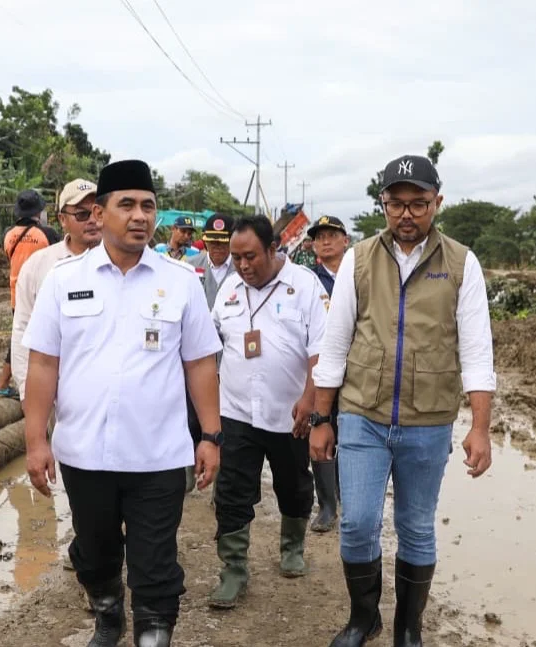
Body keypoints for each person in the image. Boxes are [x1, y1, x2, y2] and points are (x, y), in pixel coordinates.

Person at [23, 159, 223, 647]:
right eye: (127, 204)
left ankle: (153, 631)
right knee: (95, 553)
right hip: (83, 452)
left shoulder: (180, 282)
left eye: (148, 205)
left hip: (158, 454)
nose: (140, 215)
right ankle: (108, 614)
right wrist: (35, 440)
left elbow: (200, 364)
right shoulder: (64, 279)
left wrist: (213, 435)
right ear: (100, 211)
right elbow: (44, 364)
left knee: (156, 563)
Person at [310, 154, 495, 647]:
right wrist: (320, 417)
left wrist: (480, 427)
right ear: (383, 205)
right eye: (396, 204)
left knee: (415, 527)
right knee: (357, 524)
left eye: (419, 204)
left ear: (438, 202)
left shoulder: (461, 264)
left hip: (428, 422)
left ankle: (407, 628)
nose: (407, 215)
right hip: (362, 417)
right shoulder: (359, 258)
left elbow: (477, 352)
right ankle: (363, 618)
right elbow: (334, 344)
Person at [208, 215, 326, 609]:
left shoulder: (304, 285)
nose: (243, 266)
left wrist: (310, 400)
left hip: (289, 412)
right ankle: (234, 569)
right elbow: (210, 345)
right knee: (231, 493)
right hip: (237, 411)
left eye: (251, 257)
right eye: (237, 258)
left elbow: (320, 349)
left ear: (273, 249)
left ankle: (292, 547)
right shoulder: (229, 288)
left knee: (293, 485)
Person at [11, 178, 101, 401]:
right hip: (59, 396)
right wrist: (27, 392)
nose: (92, 221)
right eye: (82, 214)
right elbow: (23, 330)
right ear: (62, 219)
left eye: (98, 213)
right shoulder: (40, 265)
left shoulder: (122, 265)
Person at [183, 213, 236, 491]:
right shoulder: (189, 268)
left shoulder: (241, 270)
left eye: (223, 242)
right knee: (192, 417)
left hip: (229, 359)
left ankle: (222, 481)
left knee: (225, 421)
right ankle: (190, 472)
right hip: (195, 359)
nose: (217, 248)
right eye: (212, 242)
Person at [305, 215, 350, 533]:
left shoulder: (359, 274)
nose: (325, 240)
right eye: (319, 236)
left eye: (332, 235)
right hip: (321, 367)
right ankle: (327, 506)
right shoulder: (308, 280)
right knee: (321, 428)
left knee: (352, 433)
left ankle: (350, 499)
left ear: (345, 240)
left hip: (355, 367)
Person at [0, 189, 59, 399]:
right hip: (43, 294)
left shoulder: (8, 234)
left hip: (17, 294)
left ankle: (6, 383)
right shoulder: (47, 234)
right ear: (39, 211)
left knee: (20, 338)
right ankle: (21, 386)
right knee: (42, 341)